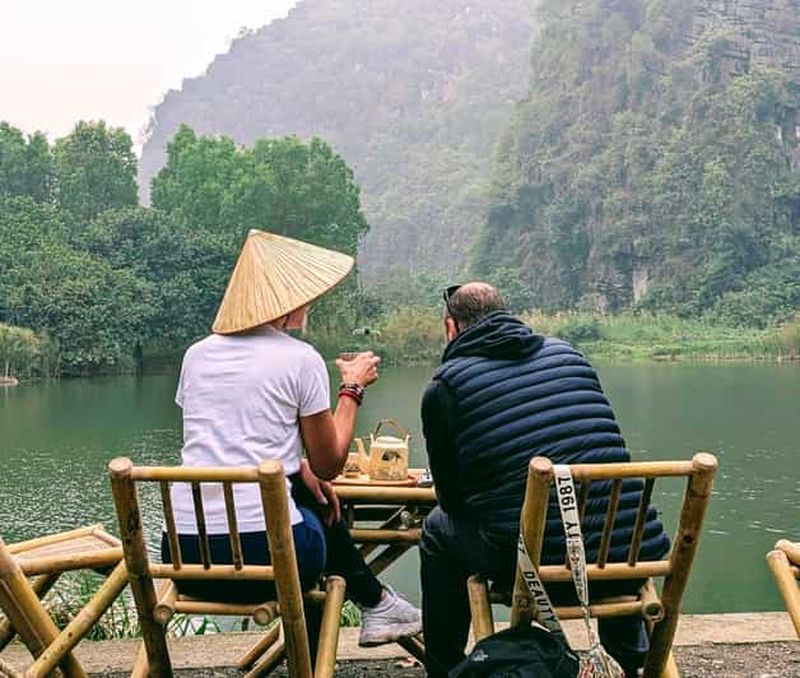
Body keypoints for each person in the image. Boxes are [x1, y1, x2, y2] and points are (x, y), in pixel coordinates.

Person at [166, 229, 420, 657]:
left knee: (303, 495)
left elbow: (223, 441)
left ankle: (378, 604)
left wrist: (295, 466)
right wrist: (352, 388)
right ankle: (372, 607)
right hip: (269, 561)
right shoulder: (300, 360)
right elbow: (330, 464)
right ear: (286, 302)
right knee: (315, 511)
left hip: (186, 557)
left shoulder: (196, 356)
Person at [419, 282, 670, 678]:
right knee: (606, 520)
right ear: (508, 314)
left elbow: (451, 501)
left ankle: (444, 667)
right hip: (632, 557)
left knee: (436, 530)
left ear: (451, 328)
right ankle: (630, 658)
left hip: (536, 572)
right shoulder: (570, 355)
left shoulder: (445, 386)